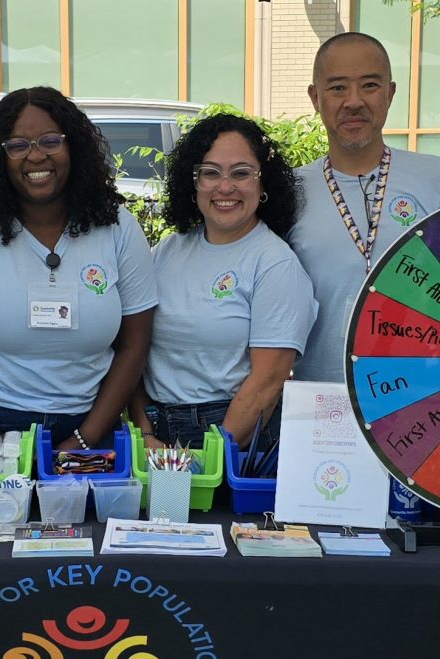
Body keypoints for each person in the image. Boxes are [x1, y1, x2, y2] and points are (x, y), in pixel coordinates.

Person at [0, 87, 157, 450]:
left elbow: (135, 344)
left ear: (73, 147)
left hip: (92, 423)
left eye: (50, 141)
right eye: (17, 145)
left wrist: (85, 438)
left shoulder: (118, 228)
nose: (35, 156)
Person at [130, 114, 317, 450]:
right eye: (210, 173)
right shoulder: (167, 251)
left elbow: (267, 382)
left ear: (263, 185)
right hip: (155, 432)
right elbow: (133, 347)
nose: (225, 187)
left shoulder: (275, 263)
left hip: (232, 437)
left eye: (242, 173)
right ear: (194, 182)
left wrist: (211, 459)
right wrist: (145, 434)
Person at [290, 31, 440, 384]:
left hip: (422, 391)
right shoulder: (290, 189)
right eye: (338, 88)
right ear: (315, 97)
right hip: (320, 397)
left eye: (369, 85)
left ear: (390, 93)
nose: (353, 101)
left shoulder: (438, 177)